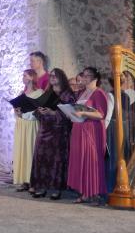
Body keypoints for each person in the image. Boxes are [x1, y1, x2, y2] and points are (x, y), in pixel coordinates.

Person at [29, 68, 71, 200]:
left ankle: (56, 189)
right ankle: (41, 187)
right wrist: (39, 111)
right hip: (44, 131)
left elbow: (70, 114)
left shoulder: (67, 95)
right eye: (51, 75)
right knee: (41, 159)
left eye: (55, 75)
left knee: (56, 161)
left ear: (61, 78)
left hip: (58, 133)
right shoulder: (47, 93)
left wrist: (53, 113)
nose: (52, 77)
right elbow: (36, 112)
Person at [67, 66, 108, 203]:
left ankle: (94, 192)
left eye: (87, 76)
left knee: (91, 160)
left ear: (95, 78)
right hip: (78, 129)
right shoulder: (81, 93)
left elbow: (101, 114)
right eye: (83, 75)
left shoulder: (99, 93)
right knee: (81, 160)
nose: (84, 78)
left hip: (92, 130)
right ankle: (84, 192)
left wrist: (83, 113)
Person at [12, 69, 43, 192]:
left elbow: (39, 111)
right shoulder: (21, 93)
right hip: (21, 124)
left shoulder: (40, 93)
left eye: (24, 75)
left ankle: (33, 181)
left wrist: (25, 114)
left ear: (31, 77)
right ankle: (24, 180)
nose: (22, 77)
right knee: (22, 151)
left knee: (30, 151)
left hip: (32, 125)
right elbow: (17, 110)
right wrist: (17, 112)